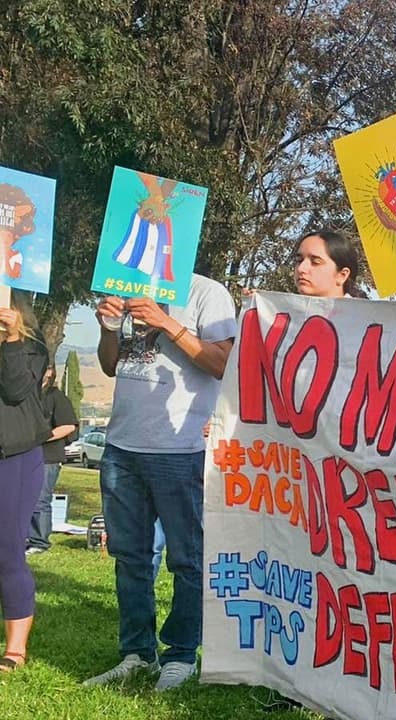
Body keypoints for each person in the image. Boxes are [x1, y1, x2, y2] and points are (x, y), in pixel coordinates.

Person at [83, 274, 237, 691]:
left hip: (180, 450)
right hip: (122, 445)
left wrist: (167, 323)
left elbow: (223, 364)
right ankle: (137, 653)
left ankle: (181, 654)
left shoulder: (207, 292)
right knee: (130, 557)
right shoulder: (128, 285)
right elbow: (110, 365)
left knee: (187, 559)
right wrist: (107, 329)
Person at [0, 297, 50, 672]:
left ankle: (15, 649)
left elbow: (16, 390)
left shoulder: (31, 348)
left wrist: (11, 339)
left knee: (7, 551)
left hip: (13, 457)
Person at [26, 364, 78, 555]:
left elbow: (68, 426)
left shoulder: (56, 396)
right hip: (22, 454)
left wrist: (39, 438)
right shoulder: (24, 395)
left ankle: (39, 542)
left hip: (48, 456)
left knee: (40, 499)